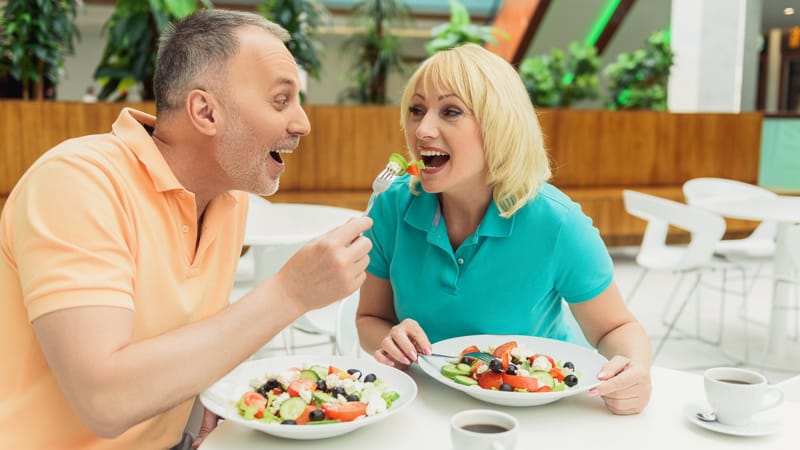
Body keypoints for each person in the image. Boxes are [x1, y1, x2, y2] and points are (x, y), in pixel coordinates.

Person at [0, 9, 372, 450]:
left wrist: (203, 403)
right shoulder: (77, 182)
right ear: (205, 111)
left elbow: (180, 339)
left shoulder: (227, 199)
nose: (302, 123)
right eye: (280, 100)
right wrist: (290, 293)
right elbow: (104, 400)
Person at [356, 43, 652, 415]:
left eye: (450, 111)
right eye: (416, 110)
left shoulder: (557, 223)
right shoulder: (393, 207)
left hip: (537, 408)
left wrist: (634, 370)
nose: (422, 129)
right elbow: (370, 319)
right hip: (429, 403)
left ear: (499, 126)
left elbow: (614, 327)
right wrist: (389, 338)